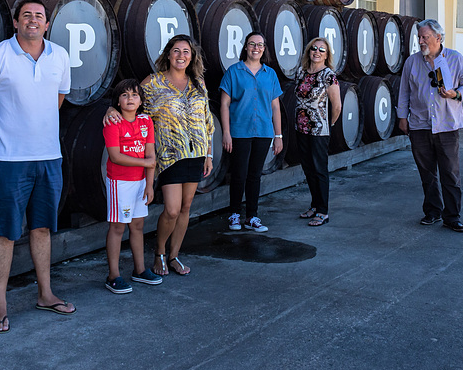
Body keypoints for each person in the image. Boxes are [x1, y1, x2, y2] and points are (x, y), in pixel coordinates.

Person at [0, 0, 76, 335]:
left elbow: (59, 98)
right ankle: (0, 302)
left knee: (42, 228)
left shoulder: (59, 56)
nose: (33, 20)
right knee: (5, 231)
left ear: (47, 25)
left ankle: (45, 294)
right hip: (10, 159)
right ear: (15, 23)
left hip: (48, 156)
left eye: (39, 16)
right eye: (26, 15)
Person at [104, 34, 214, 277]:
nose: (181, 56)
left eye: (186, 52)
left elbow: (206, 122)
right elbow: (128, 97)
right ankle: (159, 253)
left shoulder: (198, 83)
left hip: (196, 153)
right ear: (168, 54)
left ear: (192, 57)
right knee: (172, 209)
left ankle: (174, 256)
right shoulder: (153, 83)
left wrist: (209, 154)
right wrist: (112, 107)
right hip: (168, 156)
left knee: (186, 207)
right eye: (176, 51)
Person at [397, 19, 463, 232]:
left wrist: (456, 94)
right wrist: (402, 117)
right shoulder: (412, 62)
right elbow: (404, 92)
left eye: (425, 37)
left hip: (447, 126)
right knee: (427, 173)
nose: (421, 41)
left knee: (450, 173)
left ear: (438, 38)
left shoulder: (455, 58)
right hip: (420, 125)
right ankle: (433, 212)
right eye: (419, 37)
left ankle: (452, 216)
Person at [220, 31, 283, 233]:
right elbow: (224, 104)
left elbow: (275, 107)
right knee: (239, 174)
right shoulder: (233, 71)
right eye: (252, 44)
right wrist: (226, 132)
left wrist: (278, 135)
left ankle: (252, 216)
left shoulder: (270, 74)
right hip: (240, 131)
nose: (256, 48)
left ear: (264, 49)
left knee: (255, 175)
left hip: (264, 131)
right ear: (246, 47)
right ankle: (234, 214)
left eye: (260, 45)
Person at [103, 79, 161, 293]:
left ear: (141, 101)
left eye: (134, 95)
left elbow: (151, 154)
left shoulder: (146, 122)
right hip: (120, 182)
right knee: (118, 227)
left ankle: (139, 270)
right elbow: (115, 156)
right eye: (125, 95)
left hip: (140, 183)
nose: (129, 99)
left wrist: (150, 183)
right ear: (117, 101)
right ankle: (113, 275)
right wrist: (145, 163)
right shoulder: (113, 122)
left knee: (137, 226)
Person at [294, 37, 342, 227]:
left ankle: (323, 211)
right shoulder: (301, 72)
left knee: (319, 169)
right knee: (307, 168)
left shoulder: (328, 75)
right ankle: (314, 205)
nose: (317, 52)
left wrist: (326, 125)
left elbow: (337, 106)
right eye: (314, 48)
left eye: (322, 50)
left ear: (327, 55)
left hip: (319, 130)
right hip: (301, 128)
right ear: (309, 51)